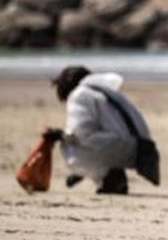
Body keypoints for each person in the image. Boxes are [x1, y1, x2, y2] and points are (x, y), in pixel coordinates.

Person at [42, 66, 155, 194]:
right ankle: (105, 171)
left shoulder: (79, 95)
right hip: (142, 145)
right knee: (88, 139)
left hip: (122, 147)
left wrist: (60, 136)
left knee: (68, 145)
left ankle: (107, 175)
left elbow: (81, 134)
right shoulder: (106, 90)